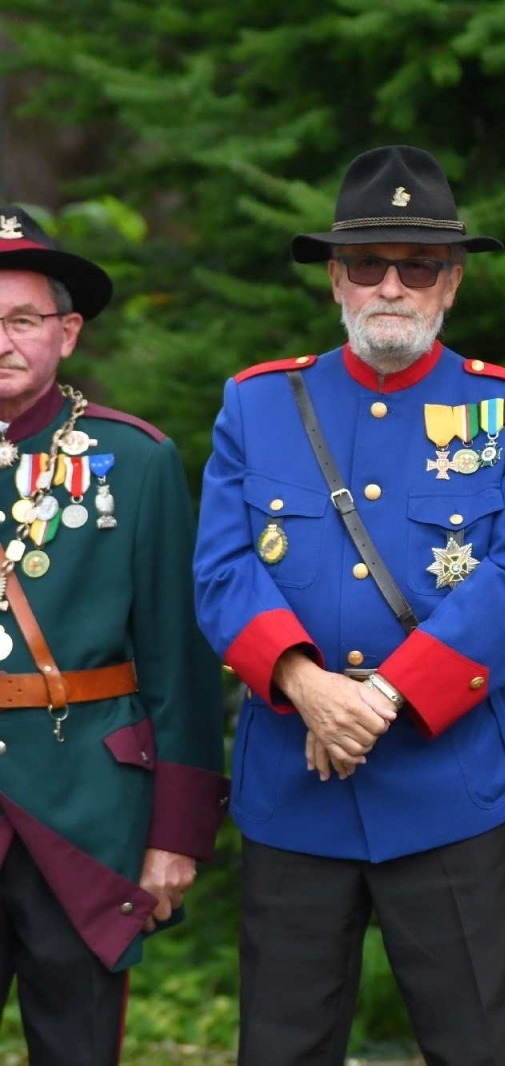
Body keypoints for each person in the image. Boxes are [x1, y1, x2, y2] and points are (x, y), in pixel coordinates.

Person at [192, 145, 505, 1065]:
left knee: (476, 1047)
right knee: (281, 1049)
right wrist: (306, 685)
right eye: (368, 264)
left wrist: (379, 699)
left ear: (451, 285)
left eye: (418, 265)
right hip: (295, 788)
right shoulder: (258, 404)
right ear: (334, 280)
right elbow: (223, 569)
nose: (390, 285)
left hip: (451, 789)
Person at [0, 206, 226, 1062]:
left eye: (23, 320)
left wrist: (175, 835)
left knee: (78, 1046)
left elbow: (180, 661)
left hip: (87, 813)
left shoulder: (134, 461)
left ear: (67, 332)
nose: (4, 342)